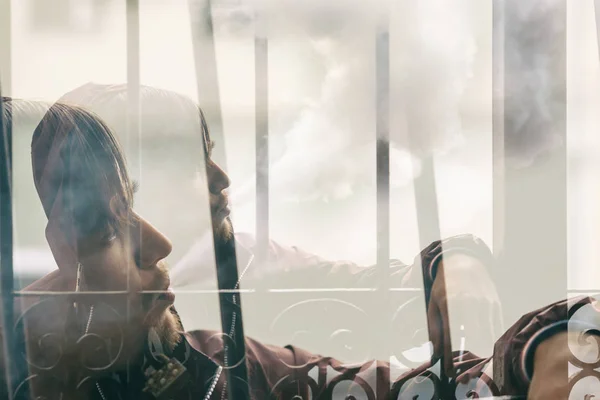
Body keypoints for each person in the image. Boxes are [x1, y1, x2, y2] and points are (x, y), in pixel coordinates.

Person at [0, 95, 583, 399]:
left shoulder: (225, 349)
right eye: (105, 228)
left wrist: (461, 264)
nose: (221, 179)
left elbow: (414, 362)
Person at [59, 83, 503, 361]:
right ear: (138, 184)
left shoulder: (255, 261)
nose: (222, 177)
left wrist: (456, 259)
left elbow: (381, 288)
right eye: (198, 160)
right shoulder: (63, 305)